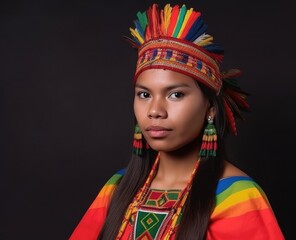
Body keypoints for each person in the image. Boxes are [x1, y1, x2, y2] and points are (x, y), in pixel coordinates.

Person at [70, 3, 285, 240]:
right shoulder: (117, 189)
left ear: (210, 108)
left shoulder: (236, 197)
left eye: (175, 95)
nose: (154, 110)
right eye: (144, 94)